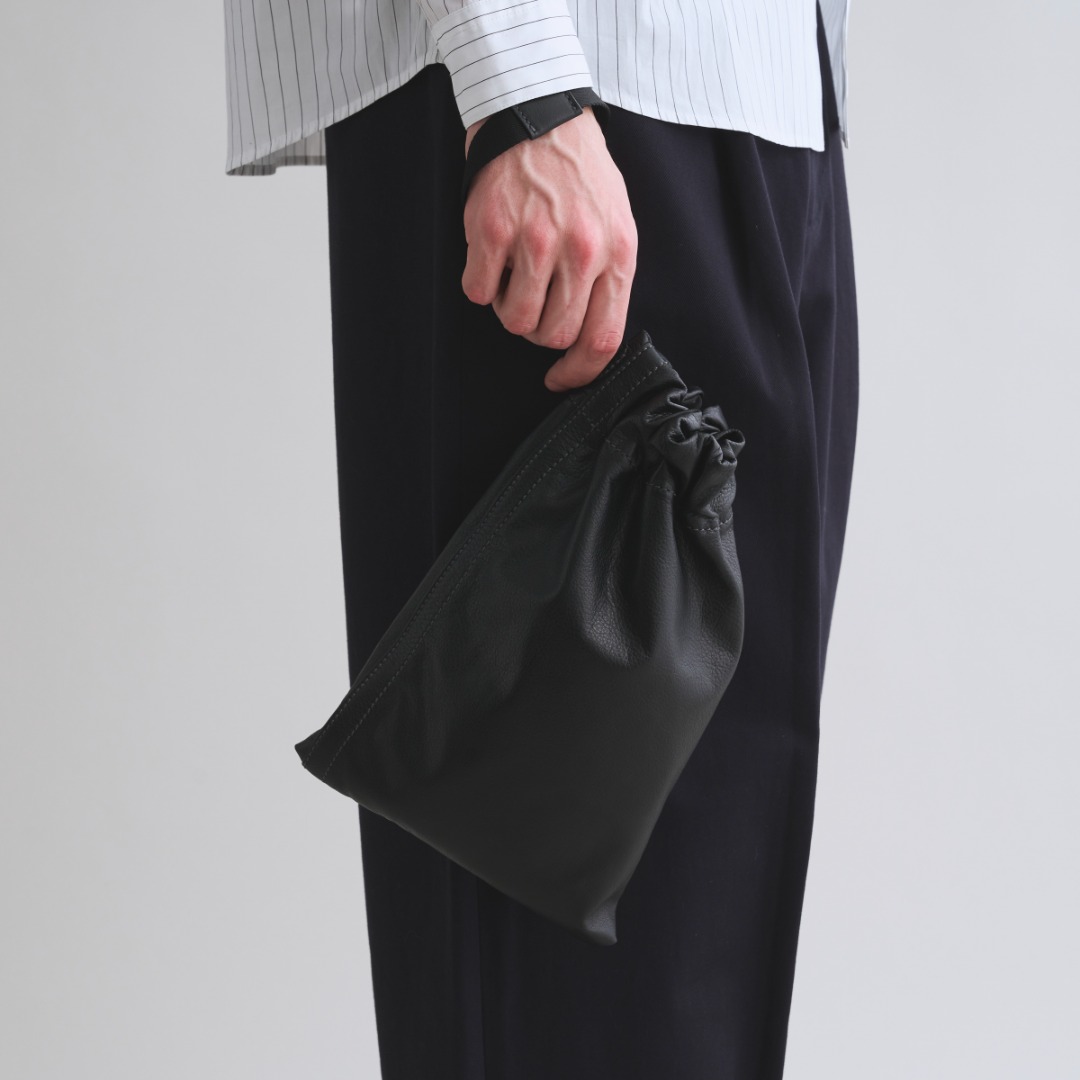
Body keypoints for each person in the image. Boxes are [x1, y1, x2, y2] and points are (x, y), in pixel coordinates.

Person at [224, 0, 858, 1075]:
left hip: (768, 93)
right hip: (570, 93)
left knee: (700, 930)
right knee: (558, 970)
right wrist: (516, 79)